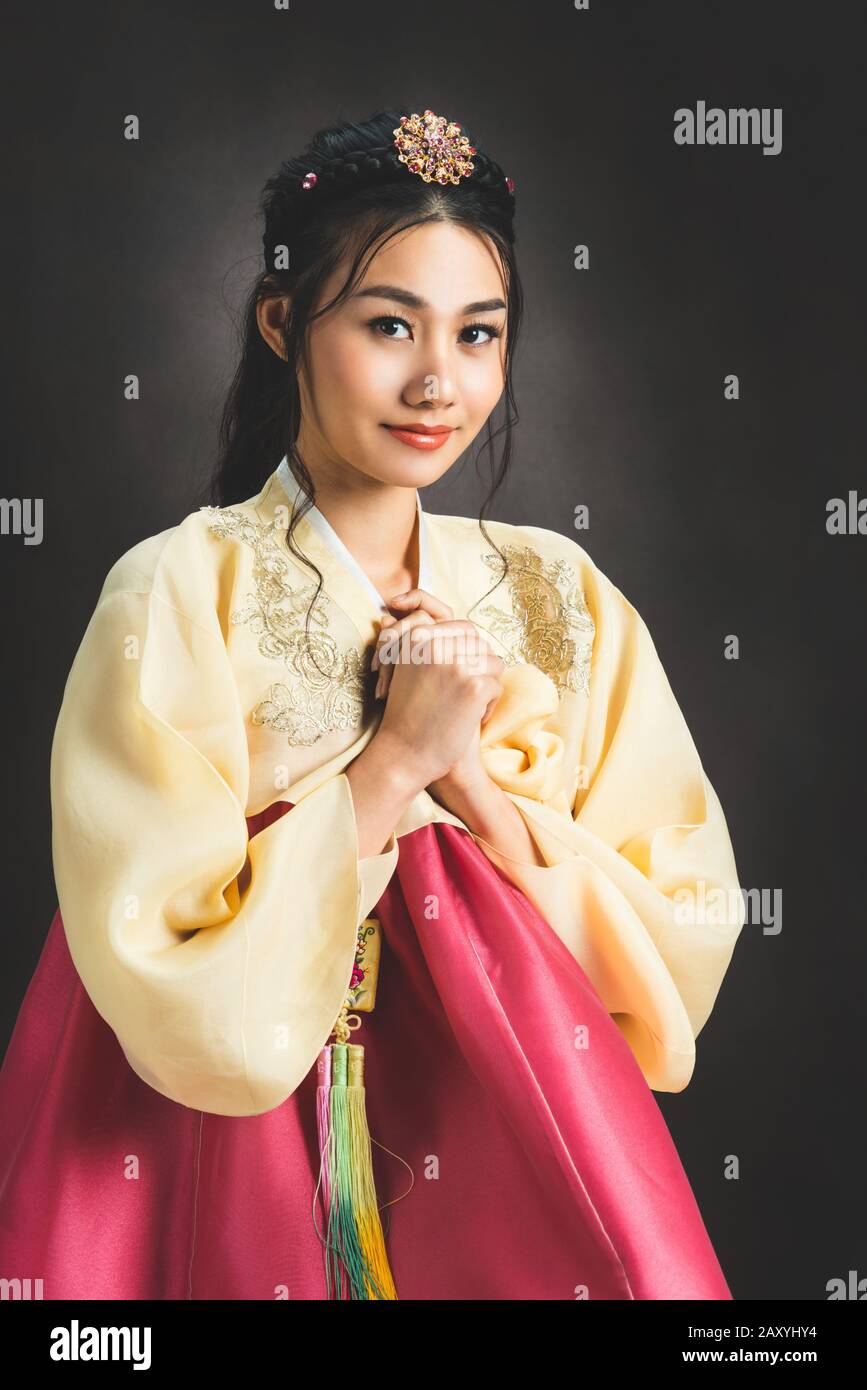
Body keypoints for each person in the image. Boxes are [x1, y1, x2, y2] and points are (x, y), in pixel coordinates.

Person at [0, 107, 745, 1300]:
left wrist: (472, 790)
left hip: (516, 1130)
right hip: (222, 1144)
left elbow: (675, 942)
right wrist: (391, 767)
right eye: (389, 324)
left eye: (479, 334)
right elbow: (152, 955)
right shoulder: (181, 587)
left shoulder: (558, 591)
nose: (438, 381)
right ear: (285, 321)